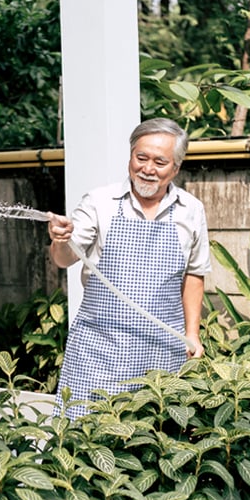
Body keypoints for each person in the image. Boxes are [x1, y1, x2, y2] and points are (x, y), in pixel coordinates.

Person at [47, 117, 211, 418]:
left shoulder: (191, 210)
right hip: (99, 351)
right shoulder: (100, 202)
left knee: (149, 444)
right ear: (130, 157)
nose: (148, 169)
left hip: (162, 351)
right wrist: (60, 241)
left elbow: (194, 274)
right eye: (141, 158)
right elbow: (64, 259)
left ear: (175, 168)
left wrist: (193, 334)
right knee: (82, 438)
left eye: (160, 162)